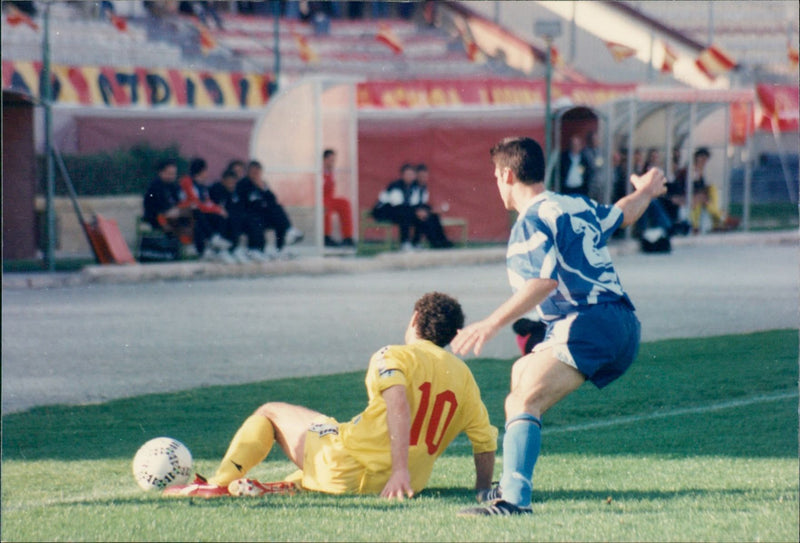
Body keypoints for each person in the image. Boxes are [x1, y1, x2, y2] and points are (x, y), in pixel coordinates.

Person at [452, 136, 667, 516]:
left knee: (524, 400)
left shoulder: (531, 220)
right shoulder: (573, 204)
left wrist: (490, 323)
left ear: (506, 174)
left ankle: (514, 500)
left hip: (587, 320)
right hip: (621, 323)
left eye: (495, 176)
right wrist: (647, 190)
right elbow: (623, 212)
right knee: (520, 376)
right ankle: (512, 482)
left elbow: (543, 282)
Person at [164, 292, 498, 499]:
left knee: (270, 412)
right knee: (332, 428)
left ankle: (218, 484)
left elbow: (397, 404)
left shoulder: (394, 355)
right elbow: (484, 441)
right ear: (451, 336)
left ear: (414, 320)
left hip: (350, 470)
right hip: (398, 486)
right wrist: (482, 489)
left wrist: (399, 469)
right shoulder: (464, 377)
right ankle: (282, 486)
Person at [371, 163, 452, 251]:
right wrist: (418, 211)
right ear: (402, 175)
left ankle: (436, 242)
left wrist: (430, 210)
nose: (410, 177)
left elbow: (417, 204)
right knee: (406, 213)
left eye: (411, 175)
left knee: (426, 216)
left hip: (403, 210)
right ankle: (404, 243)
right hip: (384, 211)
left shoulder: (415, 187)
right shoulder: (396, 186)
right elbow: (398, 204)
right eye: (407, 174)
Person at [236, 160, 304, 261]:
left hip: (262, 216)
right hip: (248, 217)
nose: (255, 175)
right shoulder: (243, 184)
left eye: (257, 172)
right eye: (253, 172)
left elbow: (272, 200)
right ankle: (255, 249)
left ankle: (282, 243)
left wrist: (263, 188)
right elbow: (244, 204)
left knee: (277, 212)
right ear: (248, 172)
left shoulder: (262, 184)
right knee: (255, 219)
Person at [179, 158, 234, 263]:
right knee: (197, 213)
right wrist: (213, 209)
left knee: (220, 216)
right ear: (201, 171)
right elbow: (195, 201)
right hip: (185, 212)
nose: (207, 173)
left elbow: (208, 202)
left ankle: (218, 247)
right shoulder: (187, 182)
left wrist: (218, 209)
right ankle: (212, 240)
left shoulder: (202, 186)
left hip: (198, 212)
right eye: (205, 171)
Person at [142, 158, 194, 252]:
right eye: (169, 173)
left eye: (174, 173)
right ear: (161, 172)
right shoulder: (154, 187)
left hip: (174, 215)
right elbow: (156, 207)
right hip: (157, 218)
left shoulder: (173, 186)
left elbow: (180, 201)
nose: (172, 176)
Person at [209, 168, 251, 263]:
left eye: (233, 183)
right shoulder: (218, 190)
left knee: (239, 218)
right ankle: (225, 250)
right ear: (223, 181)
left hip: (231, 218)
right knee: (227, 218)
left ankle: (236, 249)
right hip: (217, 219)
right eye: (229, 182)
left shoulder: (235, 193)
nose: (231, 185)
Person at [322, 149, 355, 247]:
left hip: (329, 199)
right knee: (325, 207)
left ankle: (347, 237)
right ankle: (326, 237)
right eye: (331, 160)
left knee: (345, 203)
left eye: (334, 160)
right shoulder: (318, 171)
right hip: (320, 199)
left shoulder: (331, 172)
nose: (333, 163)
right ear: (325, 159)